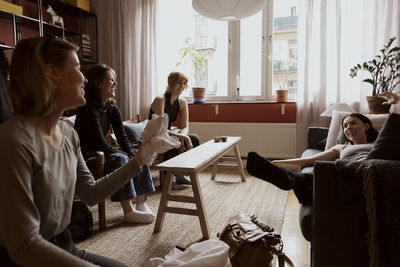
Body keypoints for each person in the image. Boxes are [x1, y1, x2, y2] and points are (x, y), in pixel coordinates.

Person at [0, 37, 151, 266]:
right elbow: (24, 246)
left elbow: (90, 193)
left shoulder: (68, 134)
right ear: (53, 72)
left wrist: (140, 159)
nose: (85, 78)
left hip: (65, 245)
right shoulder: (13, 141)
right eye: (79, 68)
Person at [74, 64, 155, 224]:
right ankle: (128, 211)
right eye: (111, 80)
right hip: (88, 157)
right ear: (98, 83)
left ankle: (141, 203)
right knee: (121, 159)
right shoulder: (88, 109)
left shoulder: (112, 109)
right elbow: (100, 143)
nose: (115, 84)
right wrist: (126, 155)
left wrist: (134, 153)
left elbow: (122, 138)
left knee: (138, 155)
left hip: (104, 153)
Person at [246, 113, 379, 204]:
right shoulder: (341, 148)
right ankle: (291, 179)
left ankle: (293, 181)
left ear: (367, 126)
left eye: (353, 123)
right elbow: (310, 160)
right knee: (317, 172)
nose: (348, 128)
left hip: (368, 173)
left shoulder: (379, 144)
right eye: (345, 126)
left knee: (309, 181)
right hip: (348, 174)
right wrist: (276, 163)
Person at [149, 71, 200, 188]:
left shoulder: (182, 102)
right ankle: (167, 179)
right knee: (173, 140)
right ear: (170, 83)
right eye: (179, 83)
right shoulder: (160, 99)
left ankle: (180, 174)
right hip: (155, 135)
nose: (182, 86)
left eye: (184, 83)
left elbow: (185, 126)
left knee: (194, 139)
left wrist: (183, 138)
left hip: (169, 134)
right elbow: (159, 128)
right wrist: (182, 138)